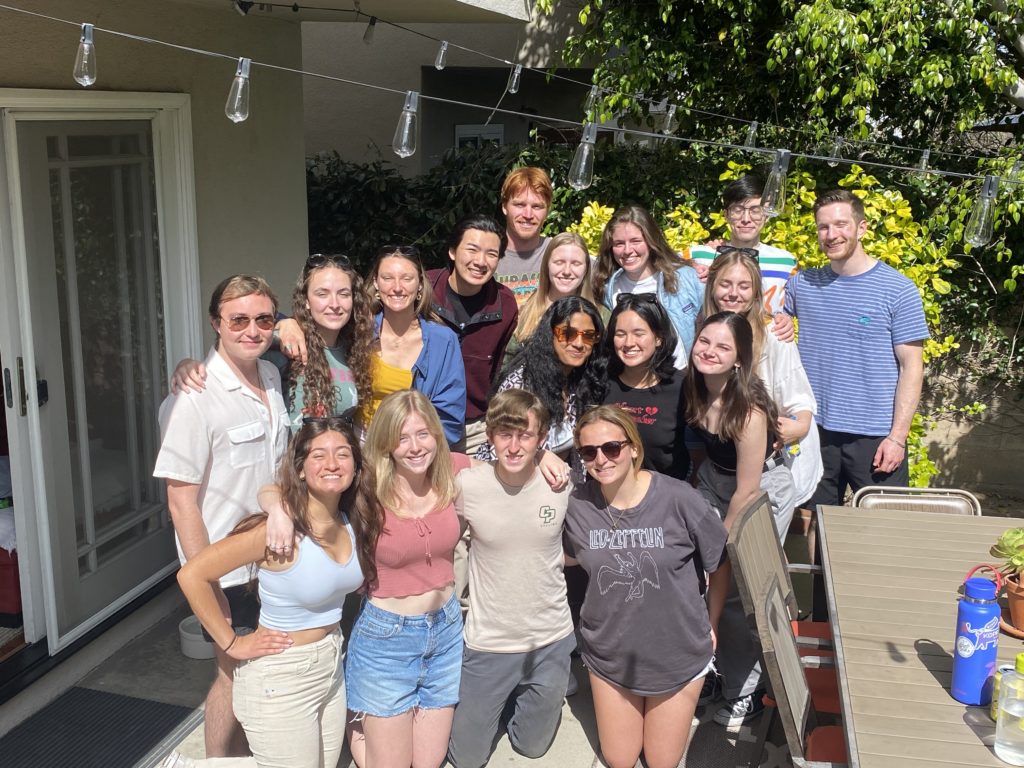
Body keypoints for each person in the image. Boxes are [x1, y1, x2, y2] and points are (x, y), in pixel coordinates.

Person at [162, 418, 367, 768]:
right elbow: (193, 575)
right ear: (300, 470)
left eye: (342, 454)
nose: (332, 464)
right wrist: (231, 643)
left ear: (355, 466)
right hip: (281, 675)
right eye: (319, 455)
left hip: (331, 662)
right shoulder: (277, 533)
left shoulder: (352, 520)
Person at [153, 275, 290, 758]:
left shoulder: (270, 376)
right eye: (238, 320)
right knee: (230, 674)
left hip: (272, 557)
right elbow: (180, 501)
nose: (252, 330)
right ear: (216, 324)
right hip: (226, 571)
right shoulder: (194, 397)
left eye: (263, 319)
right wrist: (208, 584)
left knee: (263, 672)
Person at [562, 406, 729, 768]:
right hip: (610, 651)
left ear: (633, 447)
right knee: (620, 760)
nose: (601, 459)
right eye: (588, 452)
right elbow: (554, 553)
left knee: (661, 761)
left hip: (677, 650)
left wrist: (712, 624)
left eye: (611, 448)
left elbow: (720, 562)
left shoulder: (679, 498)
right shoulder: (577, 506)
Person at [447, 389, 574, 768]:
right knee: (466, 759)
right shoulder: (469, 486)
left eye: (526, 436)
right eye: (505, 434)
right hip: (490, 641)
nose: (514, 446)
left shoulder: (561, 484)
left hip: (549, 637)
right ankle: (494, 700)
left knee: (530, 747)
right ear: (490, 436)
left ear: (542, 439)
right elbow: (443, 541)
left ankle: (524, 699)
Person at [344, 391, 470, 768]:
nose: (415, 447)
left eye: (423, 434)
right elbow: (288, 489)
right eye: (401, 438)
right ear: (386, 443)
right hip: (387, 640)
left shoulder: (453, 470)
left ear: (436, 434)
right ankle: (360, 722)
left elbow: (512, 461)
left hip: (446, 632)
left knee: (428, 764)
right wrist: (277, 508)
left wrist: (546, 457)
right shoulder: (365, 489)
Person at [685, 311, 796, 726]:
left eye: (722, 347)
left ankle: (745, 690)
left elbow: (747, 490)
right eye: (705, 341)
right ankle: (707, 667)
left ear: (739, 359)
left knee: (734, 589)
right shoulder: (693, 385)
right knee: (690, 573)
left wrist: (721, 548)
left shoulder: (747, 410)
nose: (709, 352)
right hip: (715, 479)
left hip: (760, 486)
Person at [784, 189, 928, 505]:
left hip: (875, 436)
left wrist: (897, 438)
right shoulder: (802, 285)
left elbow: (912, 367)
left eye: (841, 224)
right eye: (823, 227)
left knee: (884, 524)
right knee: (816, 522)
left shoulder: (898, 290)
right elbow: (756, 313)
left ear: (861, 228)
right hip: (815, 431)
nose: (831, 235)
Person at [172, 253, 374, 431]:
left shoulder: (353, 350)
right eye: (322, 294)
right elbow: (233, 353)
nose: (335, 304)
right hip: (289, 469)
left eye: (344, 294)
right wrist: (188, 365)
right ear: (305, 300)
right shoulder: (284, 345)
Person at [703, 250, 823, 510]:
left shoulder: (774, 335)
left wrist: (798, 425)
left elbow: (799, 400)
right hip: (722, 465)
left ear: (756, 292)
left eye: (744, 286)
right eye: (725, 283)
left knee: (757, 547)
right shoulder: (706, 329)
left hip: (770, 466)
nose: (733, 293)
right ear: (712, 286)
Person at [477, 296, 607, 476]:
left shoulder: (585, 378)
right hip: (513, 481)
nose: (578, 343)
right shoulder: (521, 382)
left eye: (588, 336)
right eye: (568, 334)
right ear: (551, 334)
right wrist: (540, 456)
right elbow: (503, 447)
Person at [427, 215, 518, 453]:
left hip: (475, 429)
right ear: (452, 251)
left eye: (491, 254)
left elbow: (502, 370)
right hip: (421, 422)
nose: (481, 261)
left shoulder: (505, 305)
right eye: (472, 250)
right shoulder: (424, 290)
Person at [366, 245, 467, 446]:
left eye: (406, 278)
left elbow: (450, 418)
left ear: (420, 284)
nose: (397, 287)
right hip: (363, 451)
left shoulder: (443, 341)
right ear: (376, 283)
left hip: (417, 452)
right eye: (387, 278)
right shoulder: (358, 334)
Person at [593, 204, 703, 367]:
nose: (627, 250)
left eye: (636, 241)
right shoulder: (606, 288)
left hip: (680, 380)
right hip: (631, 382)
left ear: (651, 241)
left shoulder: (686, 278)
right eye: (619, 243)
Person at [601, 293, 690, 482]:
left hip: (666, 497)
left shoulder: (682, 387)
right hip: (610, 496)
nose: (628, 343)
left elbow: (701, 447)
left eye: (639, 333)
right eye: (620, 334)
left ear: (659, 338)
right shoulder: (600, 384)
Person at [689, 175, 800, 315]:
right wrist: (690, 264)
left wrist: (786, 319)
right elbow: (661, 262)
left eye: (756, 210)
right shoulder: (701, 255)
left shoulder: (786, 263)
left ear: (766, 215)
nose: (746, 219)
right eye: (737, 210)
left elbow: (798, 308)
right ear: (726, 215)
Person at [494, 166, 553, 304]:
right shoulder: (485, 256)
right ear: (504, 206)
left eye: (537, 206)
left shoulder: (559, 253)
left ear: (547, 210)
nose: (528, 215)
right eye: (520, 205)